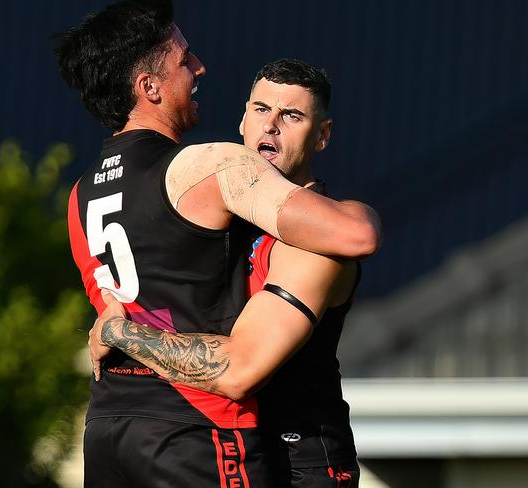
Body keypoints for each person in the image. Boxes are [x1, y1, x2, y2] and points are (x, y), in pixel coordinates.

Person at [54, 0, 378, 485]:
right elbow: (358, 233)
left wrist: (117, 333)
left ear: (323, 135)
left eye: (291, 115)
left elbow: (356, 232)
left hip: (115, 428)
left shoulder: (81, 194)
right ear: (149, 87)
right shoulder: (212, 169)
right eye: (185, 60)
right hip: (196, 429)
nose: (200, 67)